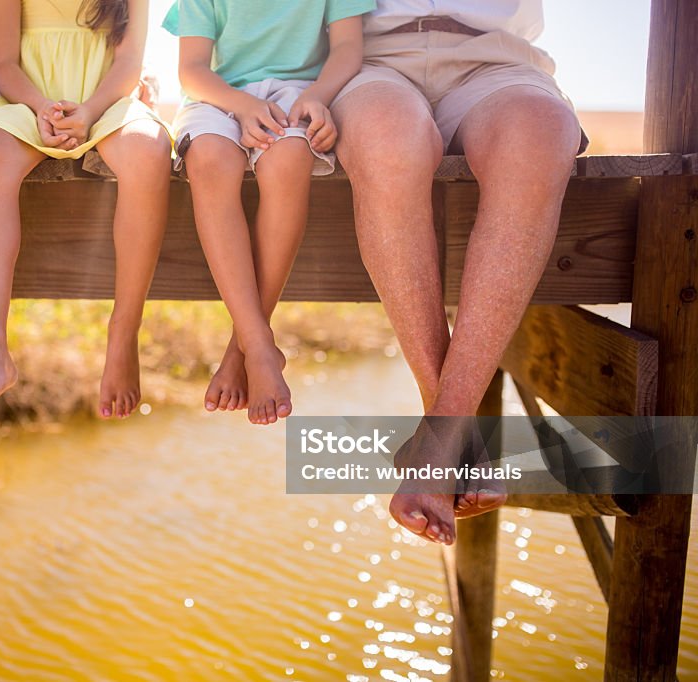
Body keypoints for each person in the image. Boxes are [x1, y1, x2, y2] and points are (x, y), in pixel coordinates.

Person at [331, 0, 588, 544]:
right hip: (372, 58)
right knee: (383, 136)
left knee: (542, 128)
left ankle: (439, 434)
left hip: (497, 59)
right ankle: (451, 430)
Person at [164, 0, 373, 426]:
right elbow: (192, 69)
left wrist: (317, 96)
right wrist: (240, 105)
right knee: (208, 159)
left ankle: (245, 346)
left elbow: (348, 47)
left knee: (290, 155)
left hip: (297, 91)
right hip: (220, 95)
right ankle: (259, 342)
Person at [0, 0, 172, 424]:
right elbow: (3, 63)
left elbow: (129, 60)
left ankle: (124, 330)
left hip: (106, 100)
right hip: (30, 101)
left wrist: (91, 110)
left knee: (148, 150)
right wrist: (41, 106)